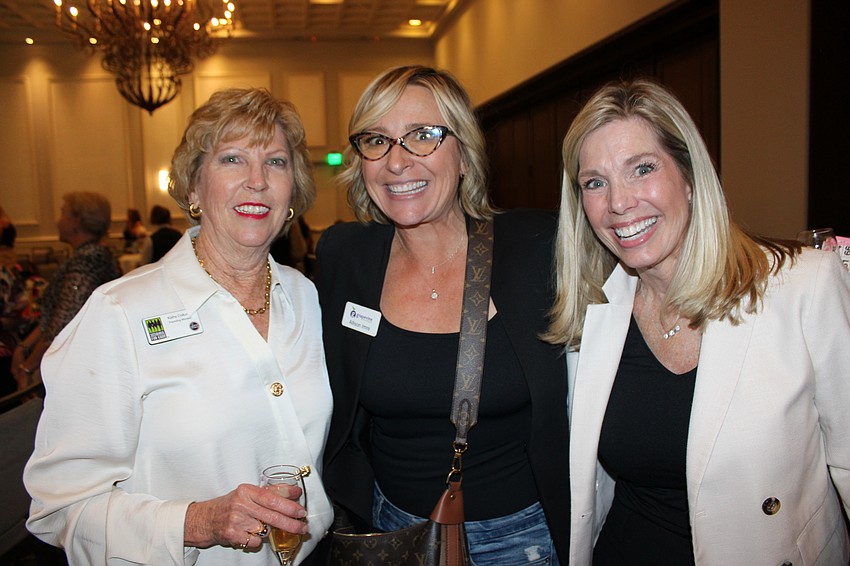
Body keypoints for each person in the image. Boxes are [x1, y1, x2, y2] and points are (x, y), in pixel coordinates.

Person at [546, 78, 850, 565]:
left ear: (688, 176)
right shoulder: (592, 314)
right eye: (595, 183)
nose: (619, 202)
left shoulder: (804, 287)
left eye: (642, 169)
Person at [23, 88, 334, 565]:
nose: (257, 181)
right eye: (232, 159)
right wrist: (196, 522)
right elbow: (61, 507)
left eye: (275, 162)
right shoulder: (119, 313)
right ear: (193, 188)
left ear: (293, 191)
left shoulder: (304, 296)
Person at [315, 65, 569, 564]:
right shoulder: (346, 256)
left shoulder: (539, 247)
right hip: (387, 533)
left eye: (423, 135)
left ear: (465, 153)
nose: (396, 161)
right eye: (377, 140)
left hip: (520, 541)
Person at [11, 192, 120, 389]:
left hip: (78, 364)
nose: (57, 220)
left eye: (63, 213)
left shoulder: (89, 258)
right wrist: (23, 347)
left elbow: (63, 321)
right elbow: (53, 316)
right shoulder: (87, 254)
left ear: (76, 222)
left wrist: (27, 368)